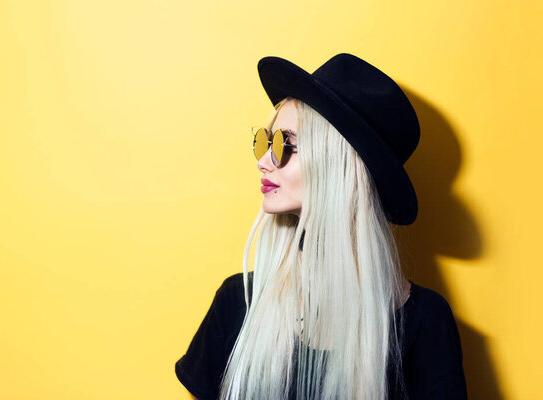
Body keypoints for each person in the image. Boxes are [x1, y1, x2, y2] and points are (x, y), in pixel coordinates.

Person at [175, 53, 468, 399]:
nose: (265, 161)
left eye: (286, 144)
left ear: (342, 167)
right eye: (265, 142)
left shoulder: (425, 323)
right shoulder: (237, 302)